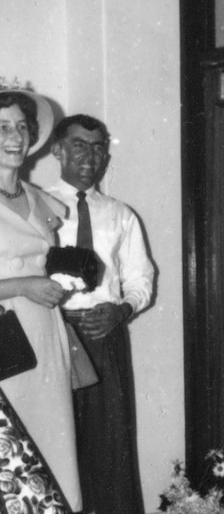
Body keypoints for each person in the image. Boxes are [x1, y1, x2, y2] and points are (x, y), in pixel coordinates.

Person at [45, 114, 155, 514]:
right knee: (53, 444)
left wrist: (121, 310)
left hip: (104, 335)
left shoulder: (120, 215)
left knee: (110, 450)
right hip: (53, 333)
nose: (91, 156)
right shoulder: (37, 206)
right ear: (58, 150)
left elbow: (142, 279)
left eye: (98, 147)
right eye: (79, 145)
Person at [0, 88, 83, 510]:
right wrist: (23, 287)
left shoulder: (38, 198)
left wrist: (62, 280)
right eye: (1, 127)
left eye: (20, 127)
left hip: (45, 339)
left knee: (53, 455)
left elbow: (44, 263)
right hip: (5, 348)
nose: (14, 136)